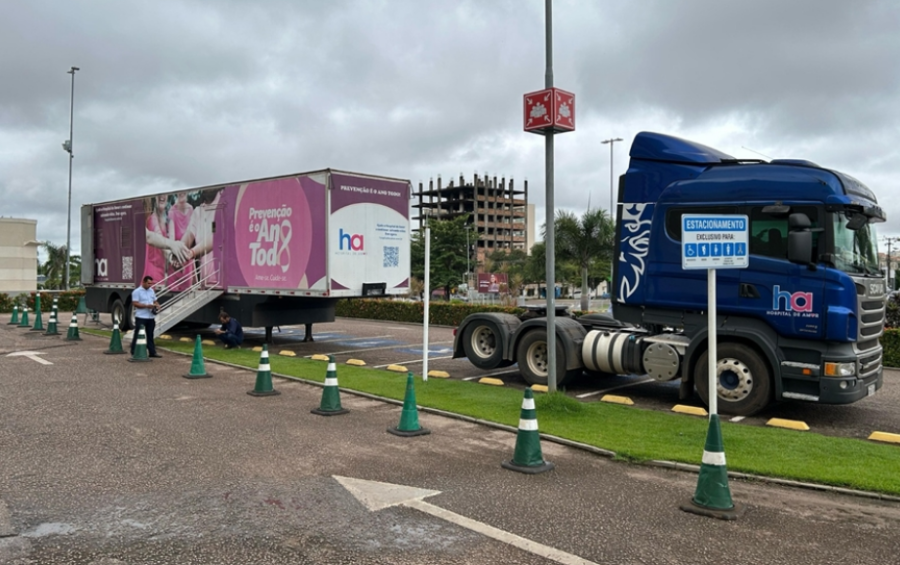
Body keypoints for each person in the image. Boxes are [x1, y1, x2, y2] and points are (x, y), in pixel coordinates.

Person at [131, 275, 162, 358]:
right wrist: (146, 306)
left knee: (150, 334)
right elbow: (135, 303)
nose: (150, 285)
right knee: (138, 334)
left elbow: (155, 300)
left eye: (151, 283)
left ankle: (152, 352)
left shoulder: (151, 291)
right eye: (148, 283)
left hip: (150, 317)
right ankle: (134, 350)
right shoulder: (137, 292)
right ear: (143, 282)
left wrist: (158, 305)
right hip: (141, 317)